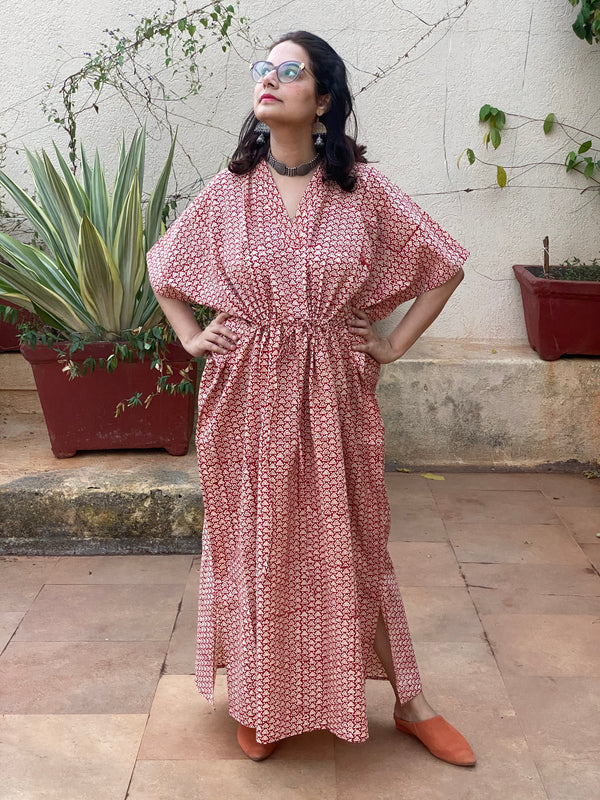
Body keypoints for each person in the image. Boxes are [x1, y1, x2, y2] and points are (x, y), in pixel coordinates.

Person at [147, 30, 476, 766]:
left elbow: (445, 265)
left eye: (287, 71)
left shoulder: (360, 187)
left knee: (353, 545)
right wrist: (191, 337)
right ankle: (261, 702)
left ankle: (410, 699)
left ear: (322, 98)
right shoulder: (230, 190)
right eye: (261, 69)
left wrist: (392, 345)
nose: (268, 79)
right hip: (248, 394)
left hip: (334, 390)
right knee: (260, 544)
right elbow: (164, 268)